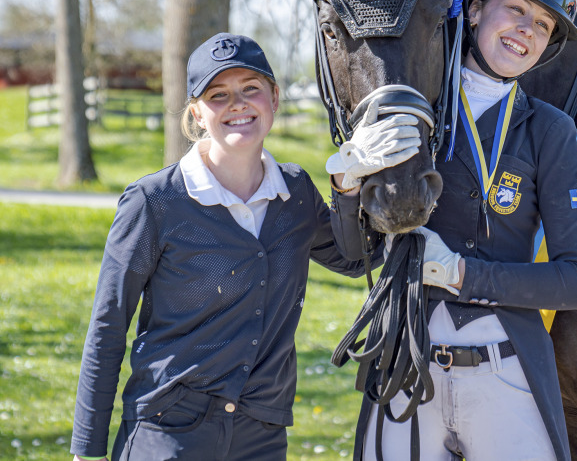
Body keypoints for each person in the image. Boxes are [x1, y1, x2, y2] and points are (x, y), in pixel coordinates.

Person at [69, 33, 419, 461]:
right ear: (197, 113)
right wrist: (86, 449)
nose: (237, 104)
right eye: (218, 95)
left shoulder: (295, 192)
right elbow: (108, 324)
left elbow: (355, 257)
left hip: (262, 434)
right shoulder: (155, 202)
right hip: (167, 431)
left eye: (250, 88)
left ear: (274, 97)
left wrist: (347, 185)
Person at [330, 0, 577, 461]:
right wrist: (345, 185)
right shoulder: (412, 108)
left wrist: (461, 275)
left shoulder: (551, 130)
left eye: (543, 25)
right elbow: (352, 254)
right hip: (407, 365)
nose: (527, 30)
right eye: (516, 9)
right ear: (474, 10)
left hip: (508, 371)